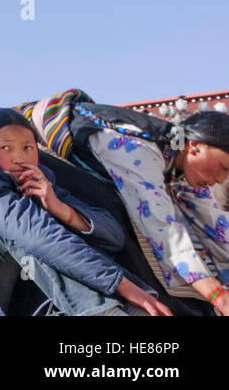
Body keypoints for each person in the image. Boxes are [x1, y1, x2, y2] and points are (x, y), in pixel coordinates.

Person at [0, 108, 169, 316]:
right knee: (22, 229)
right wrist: (121, 284)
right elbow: (35, 234)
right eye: (6, 148)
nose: (18, 157)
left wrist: (60, 208)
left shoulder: (42, 180)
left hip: (11, 296)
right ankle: (105, 312)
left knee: (54, 227)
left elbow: (114, 237)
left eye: (28, 147)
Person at [67, 103, 229, 315]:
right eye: (223, 168)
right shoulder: (137, 149)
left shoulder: (180, 158)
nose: (220, 180)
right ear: (195, 145)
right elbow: (164, 232)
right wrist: (218, 296)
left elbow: (217, 228)